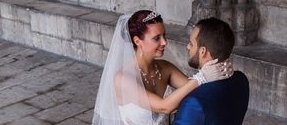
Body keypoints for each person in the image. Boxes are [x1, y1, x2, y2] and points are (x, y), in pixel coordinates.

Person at [92, 10, 232, 125]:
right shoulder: (123, 78)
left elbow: (196, 90)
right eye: (156, 38)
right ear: (137, 41)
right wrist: (202, 76)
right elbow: (163, 106)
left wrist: (220, 69)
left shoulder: (165, 68)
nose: (164, 42)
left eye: (164, 35)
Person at [172, 17, 250, 125]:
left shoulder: (193, 103)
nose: (188, 47)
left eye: (191, 43)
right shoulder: (241, 80)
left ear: (203, 51)